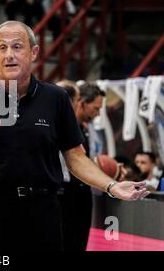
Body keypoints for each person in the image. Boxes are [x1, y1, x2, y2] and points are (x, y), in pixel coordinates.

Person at [0, 20, 150, 251]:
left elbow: (76, 158)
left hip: (42, 212)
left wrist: (111, 186)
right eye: (2, 47)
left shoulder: (56, 98)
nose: (9, 54)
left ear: (34, 52)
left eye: (17, 46)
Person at [57, 81, 105, 251]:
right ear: (81, 102)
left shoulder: (87, 128)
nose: (97, 114)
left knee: (79, 241)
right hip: (63, 191)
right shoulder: (58, 125)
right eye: (96, 108)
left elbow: (87, 159)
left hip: (82, 190)